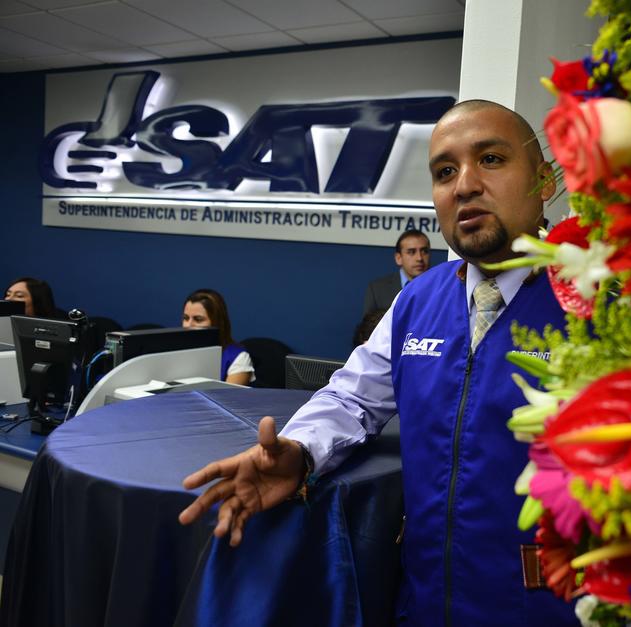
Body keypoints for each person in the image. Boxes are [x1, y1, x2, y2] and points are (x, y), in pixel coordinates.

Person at [179, 101, 579, 625]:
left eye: (492, 160)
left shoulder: (598, 303)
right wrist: (300, 452)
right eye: (444, 172)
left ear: (545, 182)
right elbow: (352, 397)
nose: (464, 185)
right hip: (424, 597)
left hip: (550, 605)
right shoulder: (416, 301)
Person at [181, 289, 255, 386]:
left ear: (217, 322)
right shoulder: (176, 352)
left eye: (198, 319)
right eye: (186, 318)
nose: (188, 325)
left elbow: (228, 399)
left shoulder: (238, 357)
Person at [362, 230, 431, 315]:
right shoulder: (377, 290)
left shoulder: (440, 288)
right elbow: (369, 327)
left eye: (424, 251)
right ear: (398, 258)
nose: (419, 258)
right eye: (411, 252)